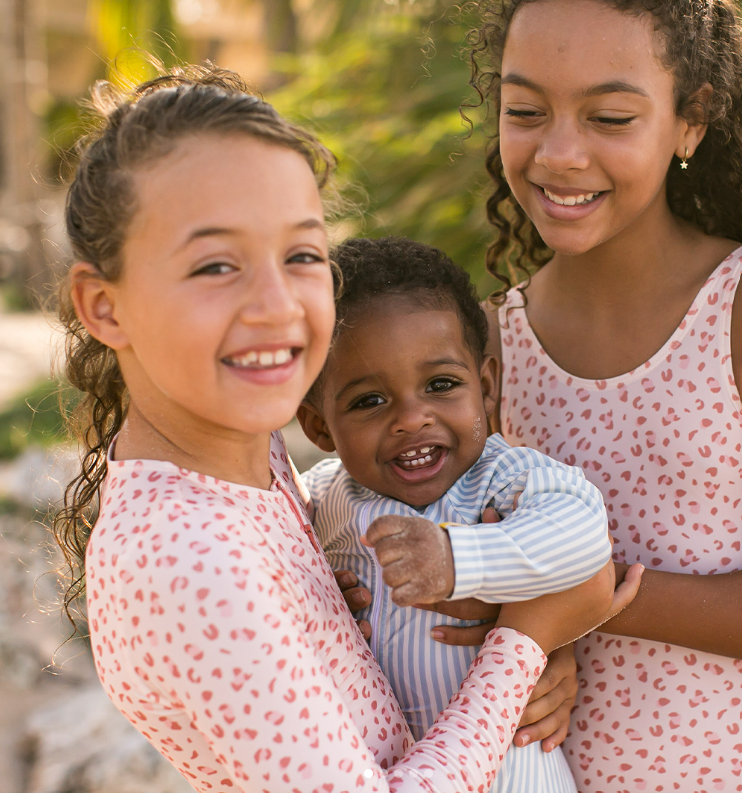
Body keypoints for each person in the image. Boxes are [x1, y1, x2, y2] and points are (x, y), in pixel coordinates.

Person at [52, 64, 640, 793]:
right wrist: (523, 642)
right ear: (104, 306)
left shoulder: (248, 454)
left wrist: (491, 621)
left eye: (301, 255)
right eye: (214, 265)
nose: (277, 304)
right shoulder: (188, 552)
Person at [464, 0, 742, 790]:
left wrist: (574, 597)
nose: (558, 152)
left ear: (692, 121)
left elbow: (523, 588)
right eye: (524, 111)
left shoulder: (732, 308)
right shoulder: (489, 348)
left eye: (610, 117)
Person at [296, 235, 617, 793]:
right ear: (319, 426)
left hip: (518, 774)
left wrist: (458, 558)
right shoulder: (325, 501)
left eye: (441, 385)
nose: (411, 418)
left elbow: (584, 534)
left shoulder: (505, 478)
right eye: (369, 401)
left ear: (487, 388)